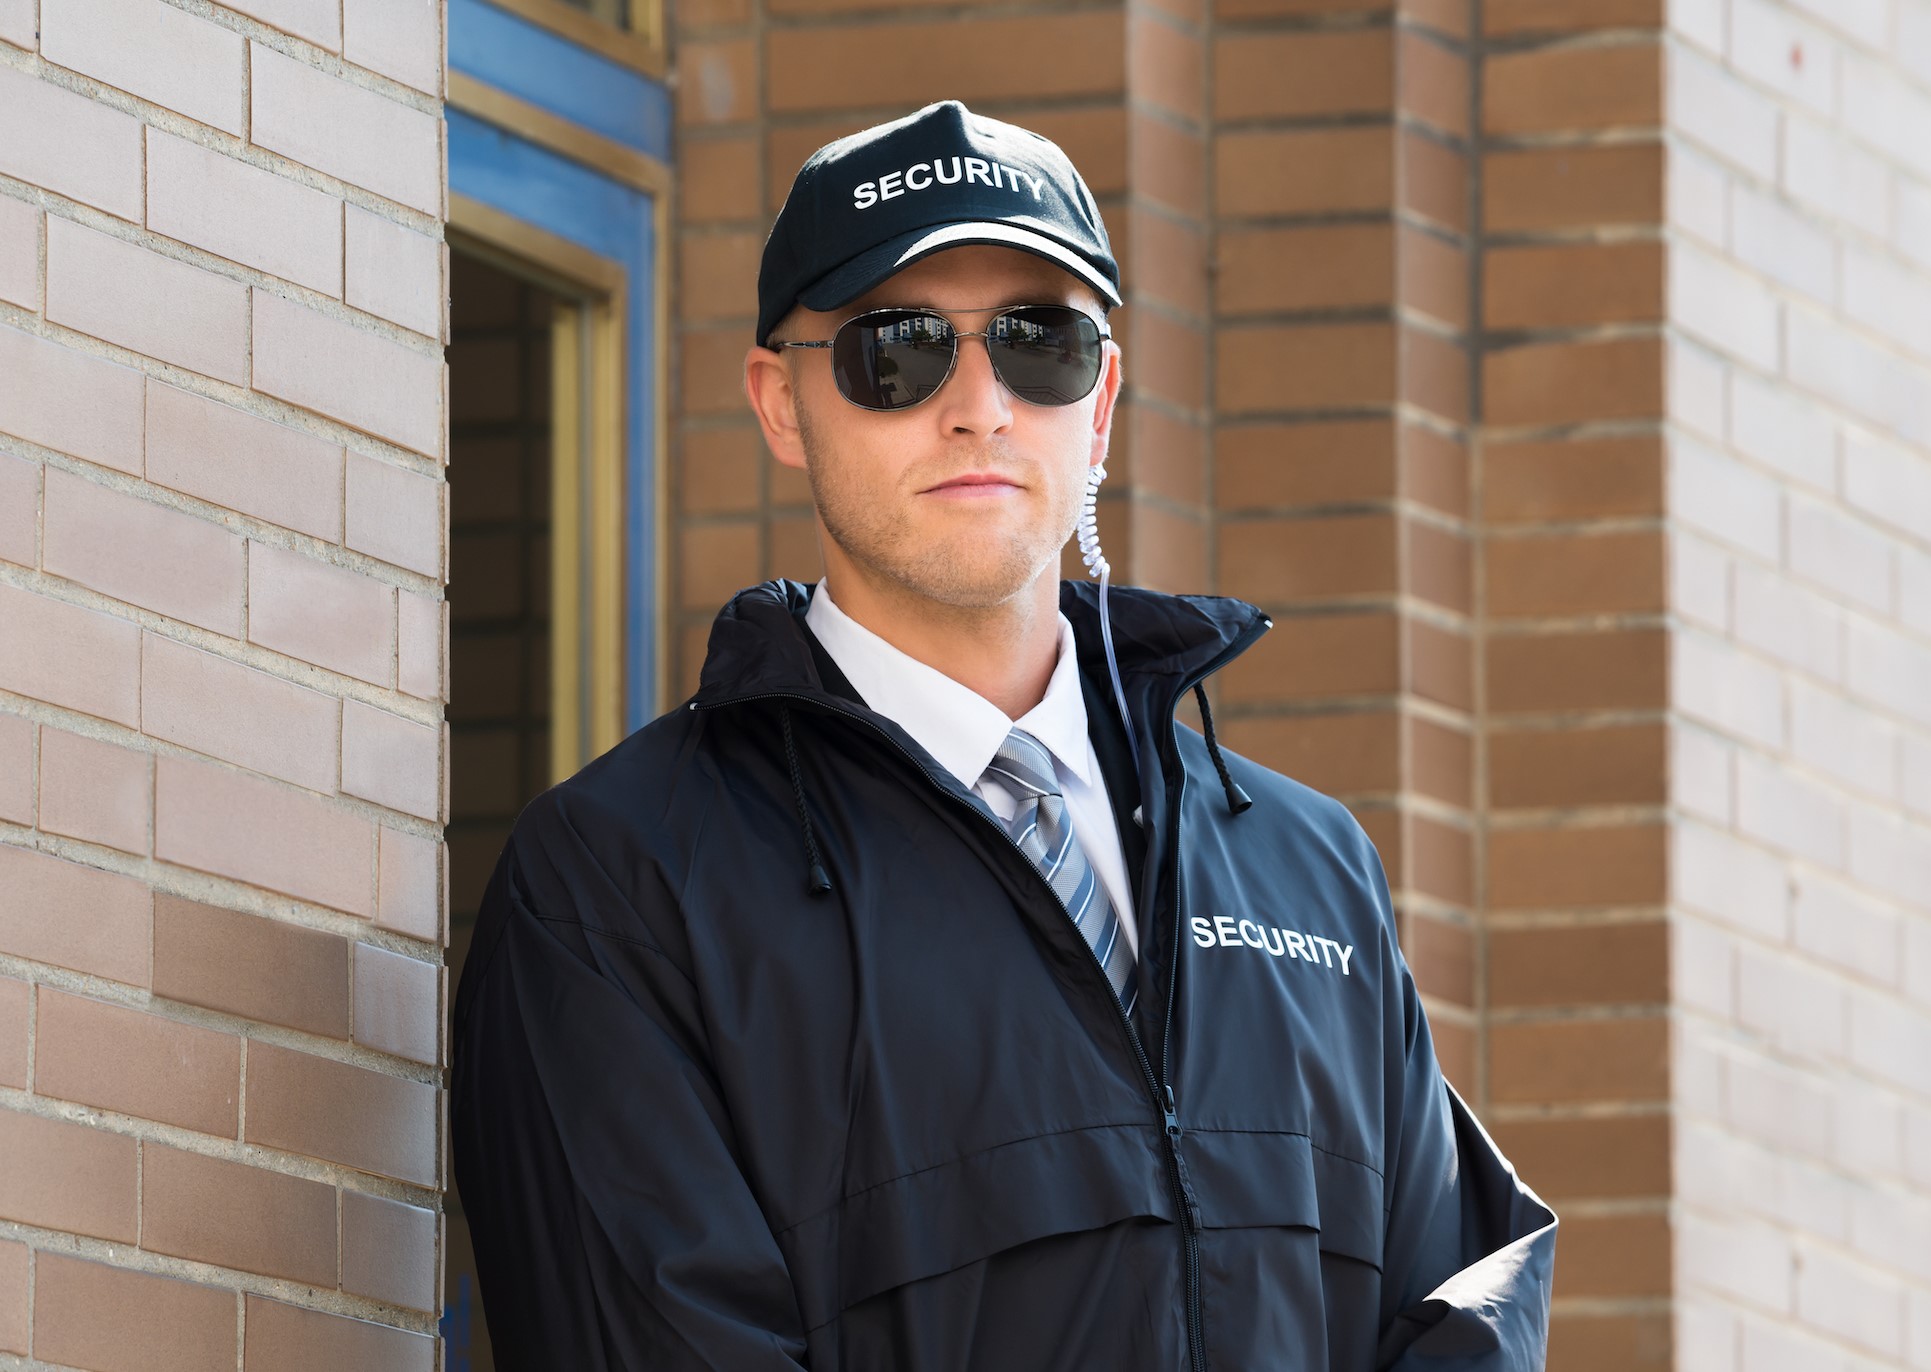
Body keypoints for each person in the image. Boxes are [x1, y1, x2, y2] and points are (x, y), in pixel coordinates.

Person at [450, 99, 1557, 1371]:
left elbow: (1462, 1304)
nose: (978, 404)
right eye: (896, 349)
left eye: (1040, 344)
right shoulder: (625, 881)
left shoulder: (1311, 869)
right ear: (781, 402)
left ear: (1101, 404)